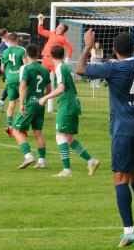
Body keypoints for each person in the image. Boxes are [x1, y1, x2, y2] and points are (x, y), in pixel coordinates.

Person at [77, 30, 134, 247]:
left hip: (124, 129)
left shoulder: (113, 67)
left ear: (114, 50)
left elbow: (81, 70)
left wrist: (87, 46)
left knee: (120, 179)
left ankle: (129, 231)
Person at [38, 45, 100, 177]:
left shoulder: (60, 67)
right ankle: (91, 161)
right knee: (69, 139)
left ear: (50, 56)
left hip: (66, 105)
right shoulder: (65, 66)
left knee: (60, 136)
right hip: (73, 103)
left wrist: (45, 97)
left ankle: (67, 170)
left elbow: (61, 89)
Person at [13, 43, 50, 169]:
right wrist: (42, 97)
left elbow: (22, 85)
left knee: (16, 130)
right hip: (40, 104)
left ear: (26, 54)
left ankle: (28, 156)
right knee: (38, 133)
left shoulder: (26, 68)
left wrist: (22, 103)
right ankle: (42, 161)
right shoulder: (44, 69)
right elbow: (49, 89)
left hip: (29, 104)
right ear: (38, 54)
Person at [1, 33, 28, 136]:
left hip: (10, 79)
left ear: (9, 40)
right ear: (17, 40)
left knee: (11, 104)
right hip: (20, 79)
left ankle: (9, 126)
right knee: (24, 103)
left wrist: (8, 74)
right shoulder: (21, 50)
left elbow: (2, 68)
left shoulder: (4, 52)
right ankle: (22, 127)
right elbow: (26, 65)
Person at [0, 28, 10, 113]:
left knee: (9, 85)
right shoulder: (3, 44)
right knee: (10, 85)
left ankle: (1, 102)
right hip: (6, 68)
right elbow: (3, 57)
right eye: (8, 32)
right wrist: (4, 71)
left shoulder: (7, 43)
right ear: (5, 34)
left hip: (9, 68)